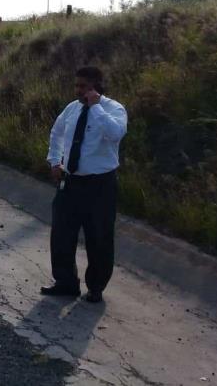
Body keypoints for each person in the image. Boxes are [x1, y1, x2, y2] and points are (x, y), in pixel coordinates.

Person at [41, 66, 127, 303]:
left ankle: (96, 287)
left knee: (99, 237)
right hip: (70, 182)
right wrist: (54, 161)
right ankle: (65, 282)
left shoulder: (114, 109)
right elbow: (56, 132)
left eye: (83, 86)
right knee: (61, 234)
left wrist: (96, 107)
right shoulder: (72, 108)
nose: (78, 90)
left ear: (96, 86)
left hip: (100, 186)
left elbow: (116, 134)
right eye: (77, 85)